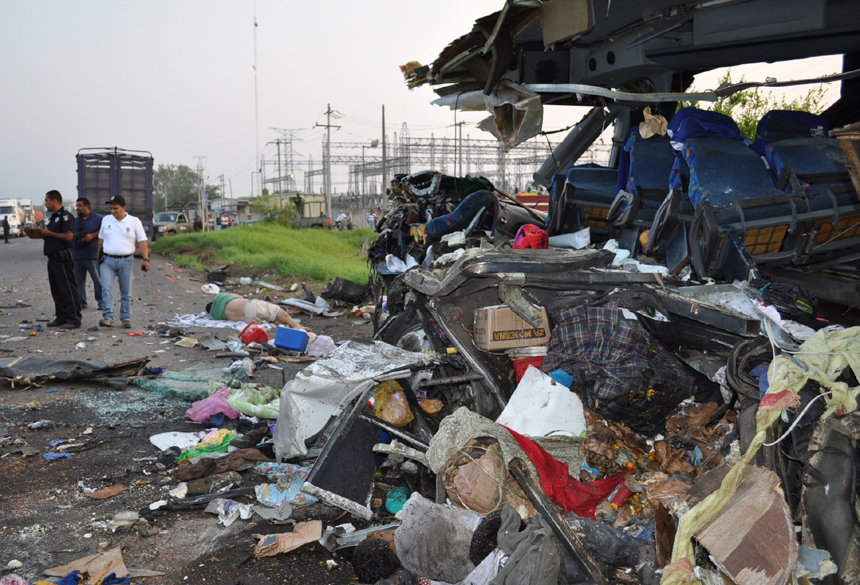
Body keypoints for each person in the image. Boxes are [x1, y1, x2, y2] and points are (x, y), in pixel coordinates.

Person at [98, 195, 149, 329]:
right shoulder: (106, 220)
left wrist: (145, 259)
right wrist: (97, 257)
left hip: (126, 261)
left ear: (124, 208)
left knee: (126, 291)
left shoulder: (134, 221)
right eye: (111, 208)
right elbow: (101, 239)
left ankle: (126, 318)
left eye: (115, 208)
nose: (112, 211)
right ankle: (108, 317)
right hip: (107, 260)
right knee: (106, 289)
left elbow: (142, 241)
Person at [39, 190, 81, 328]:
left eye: (47, 201)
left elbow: (69, 236)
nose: (45, 204)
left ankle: (74, 319)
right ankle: (61, 317)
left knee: (67, 289)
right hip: (53, 259)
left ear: (55, 200)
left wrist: (49, 233)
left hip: (62, 258)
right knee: (56, 290)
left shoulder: (65, 216)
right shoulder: (54, 217)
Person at [205, 292, 309, 331]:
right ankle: (295, 325)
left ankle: (286, 326)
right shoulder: (220, 297)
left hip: (247, 320)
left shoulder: (216, 315)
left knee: (269, 319)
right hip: (249, 307)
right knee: (276, 310)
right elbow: (240, 296)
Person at [73, 198, 104, 311]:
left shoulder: (98, 219)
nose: (77, 208)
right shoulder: (75, 221)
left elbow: (105, 231)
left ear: (87, 206)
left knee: (98, 280)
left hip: (92, 255)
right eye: (77, 206)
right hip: (77, 255)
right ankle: (81, 302)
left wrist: (92, 235)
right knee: (79, 281)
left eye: (80, 206)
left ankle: (101, 301)